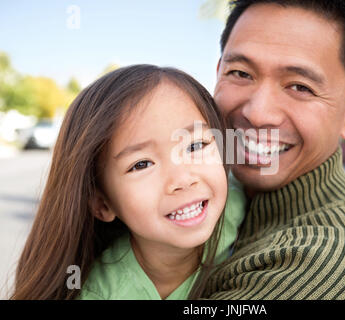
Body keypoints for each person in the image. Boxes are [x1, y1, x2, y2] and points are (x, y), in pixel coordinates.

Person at [202, 0, 345, 299]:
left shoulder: (330, 270)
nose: (258, 113)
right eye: (240, 73)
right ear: (218, 73)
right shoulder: (204, 188)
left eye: (300, 87)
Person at [11, 65, 245, 300]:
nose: (182, 180)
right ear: (102, 204)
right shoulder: (100, 293)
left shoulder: (237, 205)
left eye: (195, 146)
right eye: (141, 164)